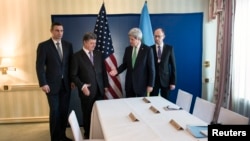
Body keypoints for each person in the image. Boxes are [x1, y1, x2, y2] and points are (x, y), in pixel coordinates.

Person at [36, 22, 74, 141]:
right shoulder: (44, 46)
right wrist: (43, 83)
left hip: (66, 85)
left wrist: (72, 81)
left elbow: (71, 65)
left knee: (63, 111)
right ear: (51, 31)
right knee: (55, 112)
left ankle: (62, 136)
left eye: (61, 31)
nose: (60, 33)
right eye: (57, 30)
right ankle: (55, 138)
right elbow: (39, 66)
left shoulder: (68, 45)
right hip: (51, 86)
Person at [70, 32, 109, 139]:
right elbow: (73, 75)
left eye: (94, 43)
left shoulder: (98, 54)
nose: (94, 45)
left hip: (100, 91)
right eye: (91, 43)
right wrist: (82, 86)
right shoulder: (76, 56)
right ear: (85, 43)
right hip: (87, 92)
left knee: (100, 114)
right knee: (87, 114)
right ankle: (88, 134)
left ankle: (99, 134)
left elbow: (103, 71)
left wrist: (105, 85)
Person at [109, 27, 155, 97]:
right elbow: (125, 64)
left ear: (138, 39)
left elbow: (151, 69)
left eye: (132, 39)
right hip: (129, 85)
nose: (130, 41)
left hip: (142, 85)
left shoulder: (147, 50)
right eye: (129, 39)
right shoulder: (128, 49)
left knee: (140, 106)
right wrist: (117, 71)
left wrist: (150, 85)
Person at [150, 28, 177, 100]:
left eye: (159, 36)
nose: (157, 38)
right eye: (155, 36)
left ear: (164, 36)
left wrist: (173, 82)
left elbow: (173, 67)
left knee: (166, 101)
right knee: (153, 101)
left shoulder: (169, 49)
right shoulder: (150, 49)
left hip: (166, 80)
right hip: (153, 81)